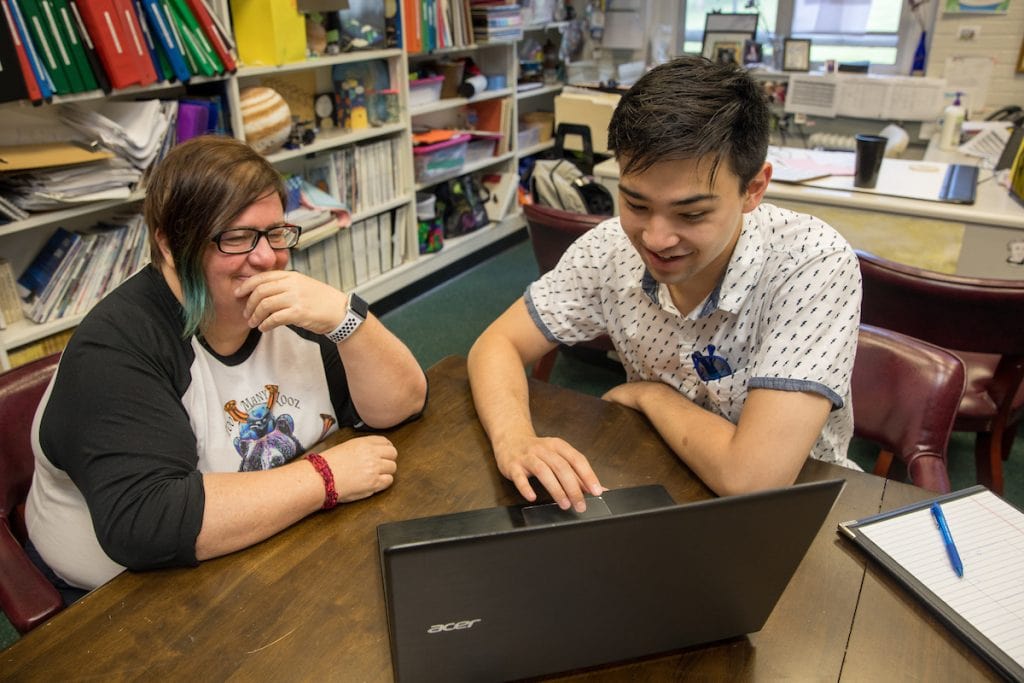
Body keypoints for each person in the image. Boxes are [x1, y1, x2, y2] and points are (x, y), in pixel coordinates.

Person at [26, 135, 428, 596]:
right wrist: (325, 476)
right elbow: (146, 521)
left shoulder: (287, 304)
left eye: (276, 233)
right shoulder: (115, 347)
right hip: (122, 598)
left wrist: (347, 318)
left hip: (263, 544)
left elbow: (400, 407)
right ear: (171, 246)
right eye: (235, 237)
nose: (266, 258)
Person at [468, 56, 861, 512]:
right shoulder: (610, 248)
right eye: (635, 203)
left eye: (691, 214)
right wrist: (515, 438)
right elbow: (496, 344)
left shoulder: (812, 263)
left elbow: (755, 477)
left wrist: (651, 395)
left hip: (796, 505)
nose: (655, 239)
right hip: (653, 477)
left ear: (753, 189)